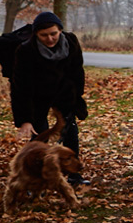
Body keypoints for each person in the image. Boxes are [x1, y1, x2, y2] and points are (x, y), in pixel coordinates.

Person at [11, 11, 89, 188]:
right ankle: (32, 178)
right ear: (36, 35)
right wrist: (25, 120)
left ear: (60, 30)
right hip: (37, 97)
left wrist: (76, 97)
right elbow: (20, 88)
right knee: (40, 137)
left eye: (53, 33)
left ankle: (74, 175)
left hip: (64, 93)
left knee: (71, 133)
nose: (50, 39)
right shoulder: (26, 50)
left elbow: (77, 72)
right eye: (44, 35)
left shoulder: (71, 42)